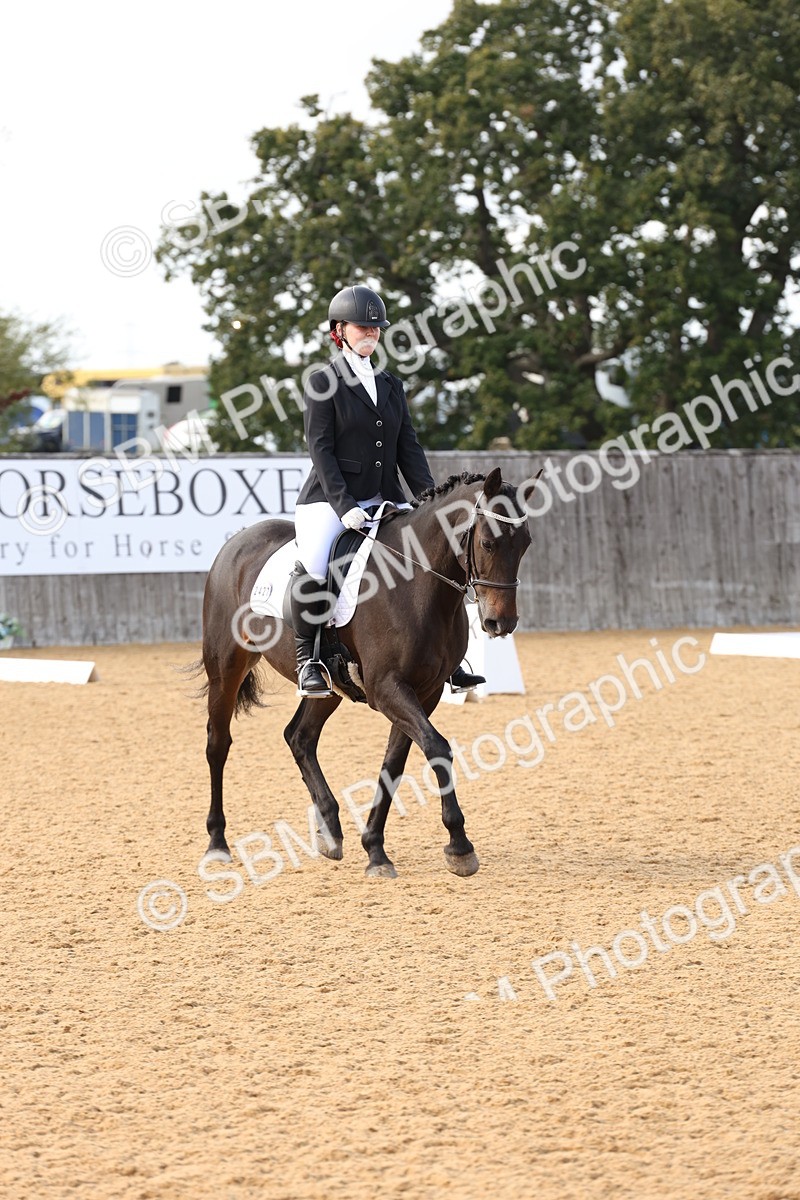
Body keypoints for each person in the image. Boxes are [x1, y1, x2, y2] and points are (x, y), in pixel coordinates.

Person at [291, 284, 485, 698]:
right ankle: (308, 658)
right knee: (314, 564)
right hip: (328, 500)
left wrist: (433, 502)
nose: (371, 333)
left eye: (376, 328)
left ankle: (448, 657)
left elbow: (408, 449)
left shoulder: (391, 385)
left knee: (435, 556)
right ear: (339, 330)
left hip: (384, 497)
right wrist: (344, 506)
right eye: (363, 327)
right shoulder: (323, 382)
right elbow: (320, 450)